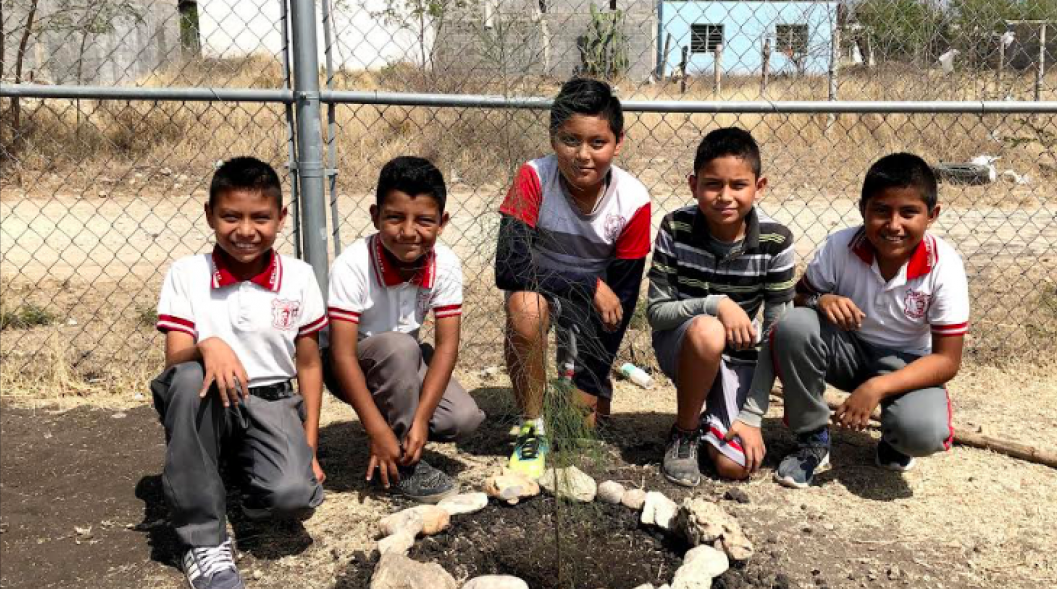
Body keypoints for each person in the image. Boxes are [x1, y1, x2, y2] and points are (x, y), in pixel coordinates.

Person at [151, 156, 327, 589]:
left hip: (271, 400)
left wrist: (310, 446)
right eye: (230, 216)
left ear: (281, 219)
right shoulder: (187, 274)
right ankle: (203, 538)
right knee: (190, 378)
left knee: (294, 496)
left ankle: (246, 480)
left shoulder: (300, 277)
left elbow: (308, 365)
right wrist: (208, 345)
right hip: (208, 397)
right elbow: (175, 358)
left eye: (260, 217)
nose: (245, 230)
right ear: (210, 214)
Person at [754, 152, 969, 489]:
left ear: (932, 215)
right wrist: (821, 299)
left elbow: (947, 360)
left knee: (922, 432)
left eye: (909, 212)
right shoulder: (841, 246)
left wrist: (876, 388)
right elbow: (795, 297)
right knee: (794, 325)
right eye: (881, 210)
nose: (894, 224)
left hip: (906, 364)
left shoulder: (945, 266)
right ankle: (812, 438)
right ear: (862, 210)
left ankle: (896, 440)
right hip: (848, 350)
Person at [495, 77, 652, 479]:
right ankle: (531, 424)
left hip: (595, 312)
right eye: (570, 140)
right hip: (544, 295)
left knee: (579, 435)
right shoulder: (533, 177)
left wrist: (592, 375)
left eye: (597, 143)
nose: (583, 155)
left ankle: (584, 381)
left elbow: (624, 299)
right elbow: (509, 266)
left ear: (617, 143)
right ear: (552, 139)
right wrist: (583, 283)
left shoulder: (633, 200)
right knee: (524, 308)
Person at [324, 156, 484, 503]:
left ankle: (408, 431)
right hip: (348, 365)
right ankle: (401, 464)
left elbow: (445, 348)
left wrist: (423, 418)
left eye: (424, 221)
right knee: (399, 347)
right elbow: (341, 354)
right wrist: (376, 428)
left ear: (442, 223)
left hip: (405, 357)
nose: (408, 232)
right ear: (375, 216)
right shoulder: (352, 265)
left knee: (463, 418)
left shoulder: (446, 264)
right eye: (394, 217)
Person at [647, 127, 796, 487]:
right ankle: (684, 432)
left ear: (759, 187)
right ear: (694, 184)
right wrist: (716, 304)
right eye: (713, 184)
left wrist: (752, 416)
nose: (725, 196)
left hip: (740, 356)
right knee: (708, 328)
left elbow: (776, 334)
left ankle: (715, 422)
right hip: (685, 345)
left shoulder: (777, 241)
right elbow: (656, 312)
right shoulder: (675, 227)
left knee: (735, 466)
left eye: (738, 185)